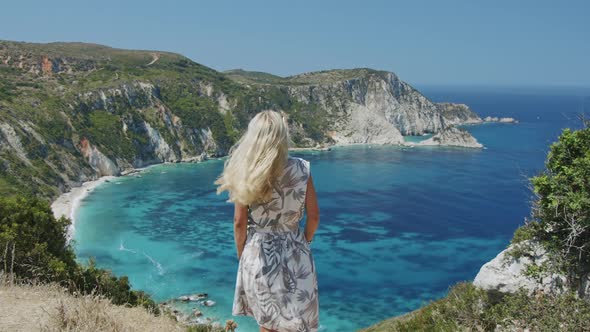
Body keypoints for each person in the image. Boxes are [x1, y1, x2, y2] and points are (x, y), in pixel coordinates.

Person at [215, 110, 320, 332]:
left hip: (259, 252)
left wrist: (242, 255)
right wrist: (303, 241)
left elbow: (239, 222)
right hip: (296, 250)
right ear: (282, 136)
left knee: (268, 324)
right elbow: (314, 216)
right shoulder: (302, 168)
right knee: (296, 323)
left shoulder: (246, 172)